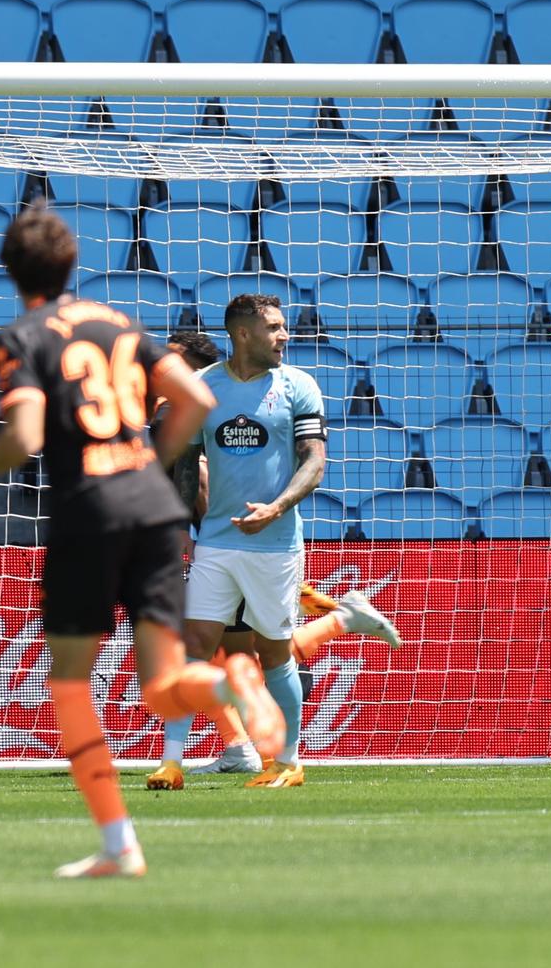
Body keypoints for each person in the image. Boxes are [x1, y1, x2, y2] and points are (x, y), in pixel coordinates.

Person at [0, 205, 282, 878]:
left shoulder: (22, 336)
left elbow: (28, 439)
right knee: (162, 688)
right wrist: (151, 463)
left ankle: (119, 842)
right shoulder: (118, 323)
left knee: (70, 681)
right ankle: (231, 681)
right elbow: (196, 399)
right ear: (72, 263)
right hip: (154, 510)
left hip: (89, 512)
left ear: (10, 271)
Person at [146, 333, 399, 789]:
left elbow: (199, 483)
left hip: (232, 548)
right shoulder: (172, 412)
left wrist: (196, 544)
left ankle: (251, 745)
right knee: (227, 652)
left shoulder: (195, 410)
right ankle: (239, 744)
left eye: (171, 364)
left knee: (239, 653)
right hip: (222, 551)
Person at [172, 294, 333, 790]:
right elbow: (184, 464)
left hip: (276, 542)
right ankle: (170, 762)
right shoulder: (203, 388)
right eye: (275, 328)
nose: (285, 336)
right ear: (243, 334)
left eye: (284, 327)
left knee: (274, 653)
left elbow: (315, 460)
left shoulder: (298, 386)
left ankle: (287, 761)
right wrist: (180, 527)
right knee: (195, 647)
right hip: (217, 543)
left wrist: (277, 507)